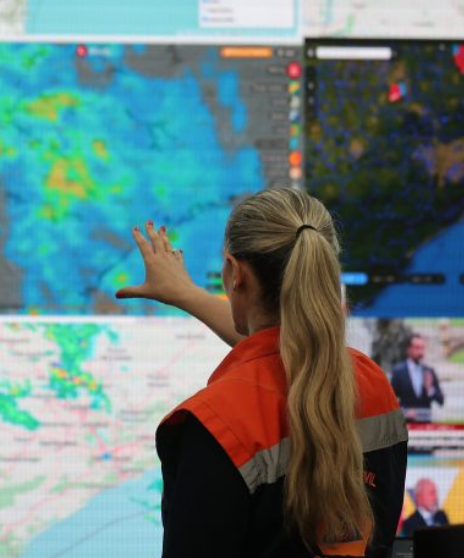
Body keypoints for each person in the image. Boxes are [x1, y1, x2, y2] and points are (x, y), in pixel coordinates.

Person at [117, 188, 408, 558]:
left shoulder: (216, 424)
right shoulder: (374, 386)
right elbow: (282, 345)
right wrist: (187, 294)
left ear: (235, 273)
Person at [389, 335, 445, 421]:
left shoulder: (429, 372)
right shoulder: (398, 372)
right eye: (417, 348)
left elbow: (441, 401)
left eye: (422, 348)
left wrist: (430, 389)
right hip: (405, 425)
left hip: (426, 425)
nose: (420, 351)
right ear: (409, 349)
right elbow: (389, 401)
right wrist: (404, 412)